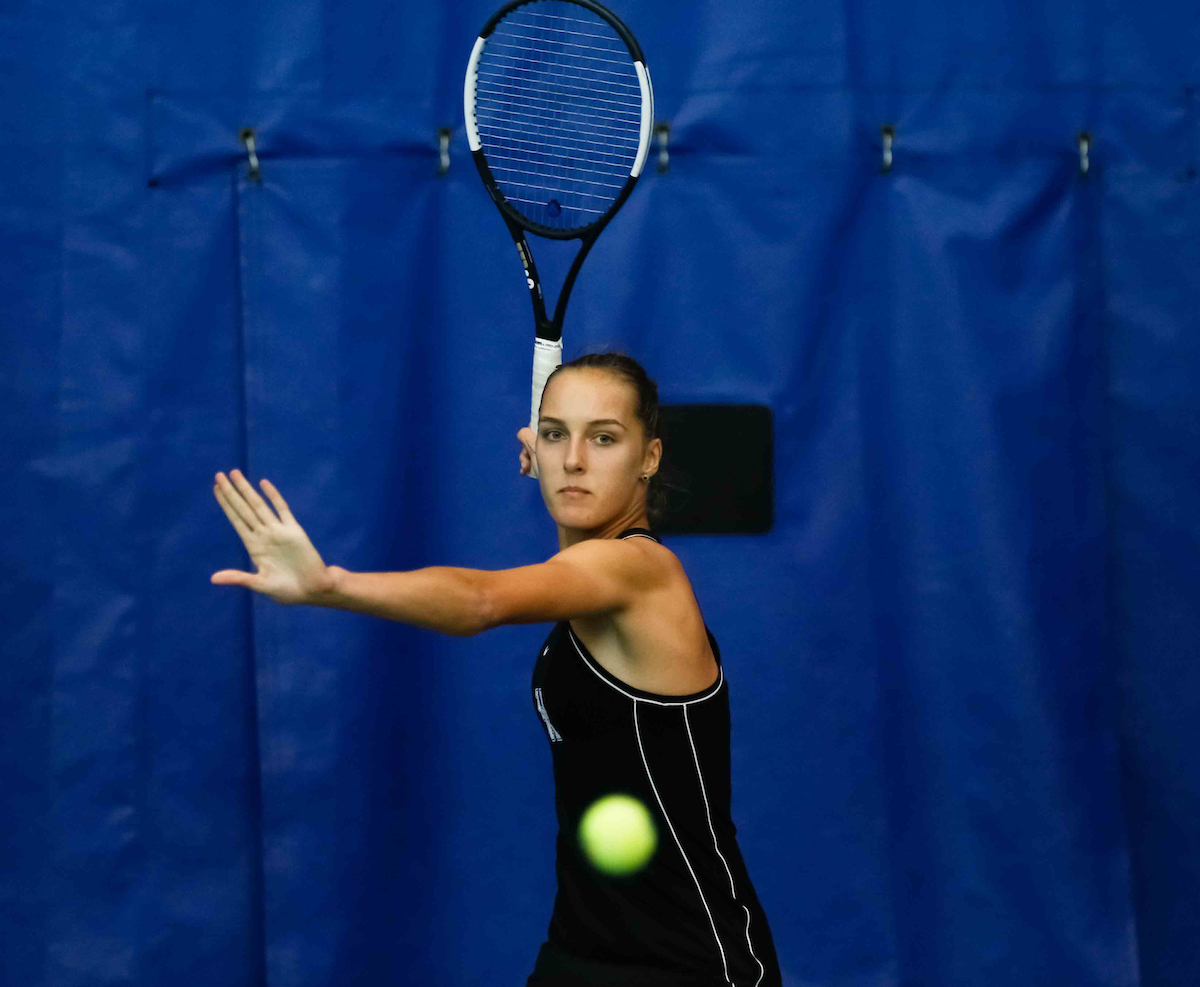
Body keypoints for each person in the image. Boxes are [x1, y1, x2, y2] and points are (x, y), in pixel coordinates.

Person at [211, 352, 781, 987]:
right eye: (555, 433)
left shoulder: (640, 571)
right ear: (530, 448)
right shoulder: (586, 575)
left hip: (693, 962)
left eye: (604, 438)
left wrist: (331, 585)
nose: (574, 460)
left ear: (649, 458)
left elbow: (481, 601)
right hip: (582, 951)